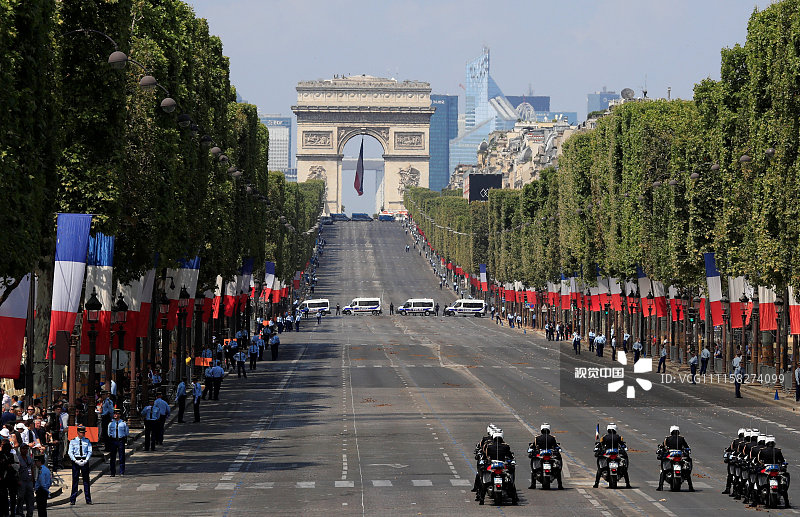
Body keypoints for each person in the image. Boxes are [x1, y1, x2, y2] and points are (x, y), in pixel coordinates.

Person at [478, 428, 517, 505]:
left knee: (484, 483)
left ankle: (481, 499)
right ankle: (514, 499)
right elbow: (510, 456)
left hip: (493, 465)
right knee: (510, 483)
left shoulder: (489, 446)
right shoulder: (505, 446)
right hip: (501, 465)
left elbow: (485, 457)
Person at [755, 435, 789, 508]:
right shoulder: (778, 451)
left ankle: (755, 500)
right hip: (776, 468)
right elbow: (782, 461)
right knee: (783, 487)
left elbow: (759, 461)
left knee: (758, 478)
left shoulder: (762, 450)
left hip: (766, 469)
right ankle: (787, 502)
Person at [593, 423, 631, 489]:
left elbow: (600, 445)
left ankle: (596, 483)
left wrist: (598, 449)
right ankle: (627, 483)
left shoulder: (604, 437)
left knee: (600, 469)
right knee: (624, 469)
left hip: (608, 455)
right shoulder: (619, 437)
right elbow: (623, 445)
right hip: (615, 455)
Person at [657, 425, 693, 491]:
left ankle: (660, 486)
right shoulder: (682, 439)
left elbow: (663, 447)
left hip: (671, 456)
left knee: (664, 470)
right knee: (687, 472)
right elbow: (686, 447)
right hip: (679, 457)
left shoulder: (667, 439)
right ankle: (690, 486)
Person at [529, 423, 563, 489]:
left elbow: (532, 446)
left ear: (541, 430)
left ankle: (533, 484)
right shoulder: (552, 438)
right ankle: (560, 484)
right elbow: (556, 446)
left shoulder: (537, 438)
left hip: (542, 457)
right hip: (547, 457)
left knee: (533, 469)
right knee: (558, 470)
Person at [68, 425, 92, 505]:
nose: (83, 434)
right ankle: (73, 499)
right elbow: (70, 452)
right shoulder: (73, 441)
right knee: (75, 480)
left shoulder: (87, 441)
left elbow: (89, 451)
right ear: (78, 432)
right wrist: (75, 460)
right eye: (81, 433)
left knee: (86, 480)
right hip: (76, 461)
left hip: (84, 460)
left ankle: (88, 499)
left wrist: (86, 460)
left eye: (84, 433)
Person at [472, 425, 496, 496]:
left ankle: (479, 493)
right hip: (490, 464)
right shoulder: (503, 444)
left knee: (480, 474)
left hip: (492, 464)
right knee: (480, 475)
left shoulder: (486, 442)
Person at [723, 428, 746, 495]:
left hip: (738, 461)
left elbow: (729, 449)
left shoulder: (736, 442)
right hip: (742, 462)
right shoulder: (749, 443)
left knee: (731, 474)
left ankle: (728, 488)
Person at [107, 408, 128, 477]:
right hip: (113, 440)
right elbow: (109, 432)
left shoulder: (123, 423)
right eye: (114, 414)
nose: (115, 415)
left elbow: (126, 432)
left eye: (117, 414)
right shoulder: (111, 424)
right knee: (112, 457)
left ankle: (122, 471)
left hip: (120, 440)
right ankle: (112, 472)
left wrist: (123, 437)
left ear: (119, 415)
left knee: (121, 456)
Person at [17, 443, 34, 516]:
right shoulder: (18, 458)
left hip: (29, 480)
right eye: (24, 449)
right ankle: (20, 512)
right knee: (21, 498)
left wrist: (33, 478)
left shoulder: (29, 458)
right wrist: (18, 481)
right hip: (22, 481)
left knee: (30, 498)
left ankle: (30, 513)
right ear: (20, 450)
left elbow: (32, 468)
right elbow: (17, 471)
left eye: (26, 449)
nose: (25, 450)